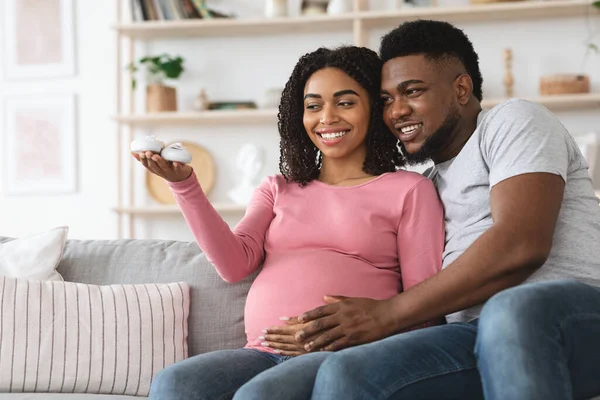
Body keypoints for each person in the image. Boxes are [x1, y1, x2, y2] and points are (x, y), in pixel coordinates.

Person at [266, 20, 600, 400]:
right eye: (387, 99)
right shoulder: (422, 186)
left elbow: (521, 244)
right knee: (349, 372)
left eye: (412, 91)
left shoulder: (512, 121)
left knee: (511, 310)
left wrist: (386, 314)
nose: (397, 111)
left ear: (461, 88)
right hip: (471, 336)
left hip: (569, 319)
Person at [132, 45, 445, 400]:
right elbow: (234, 265)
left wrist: (346, 334)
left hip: (347, 356)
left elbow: (426, 309)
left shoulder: (408, 191)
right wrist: (183, 184)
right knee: (174, 383)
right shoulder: (277, 189)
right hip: (260, 353)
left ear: (374, 109)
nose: (327, 117)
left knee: (260, 395)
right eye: (313, 106)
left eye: (345, 102)